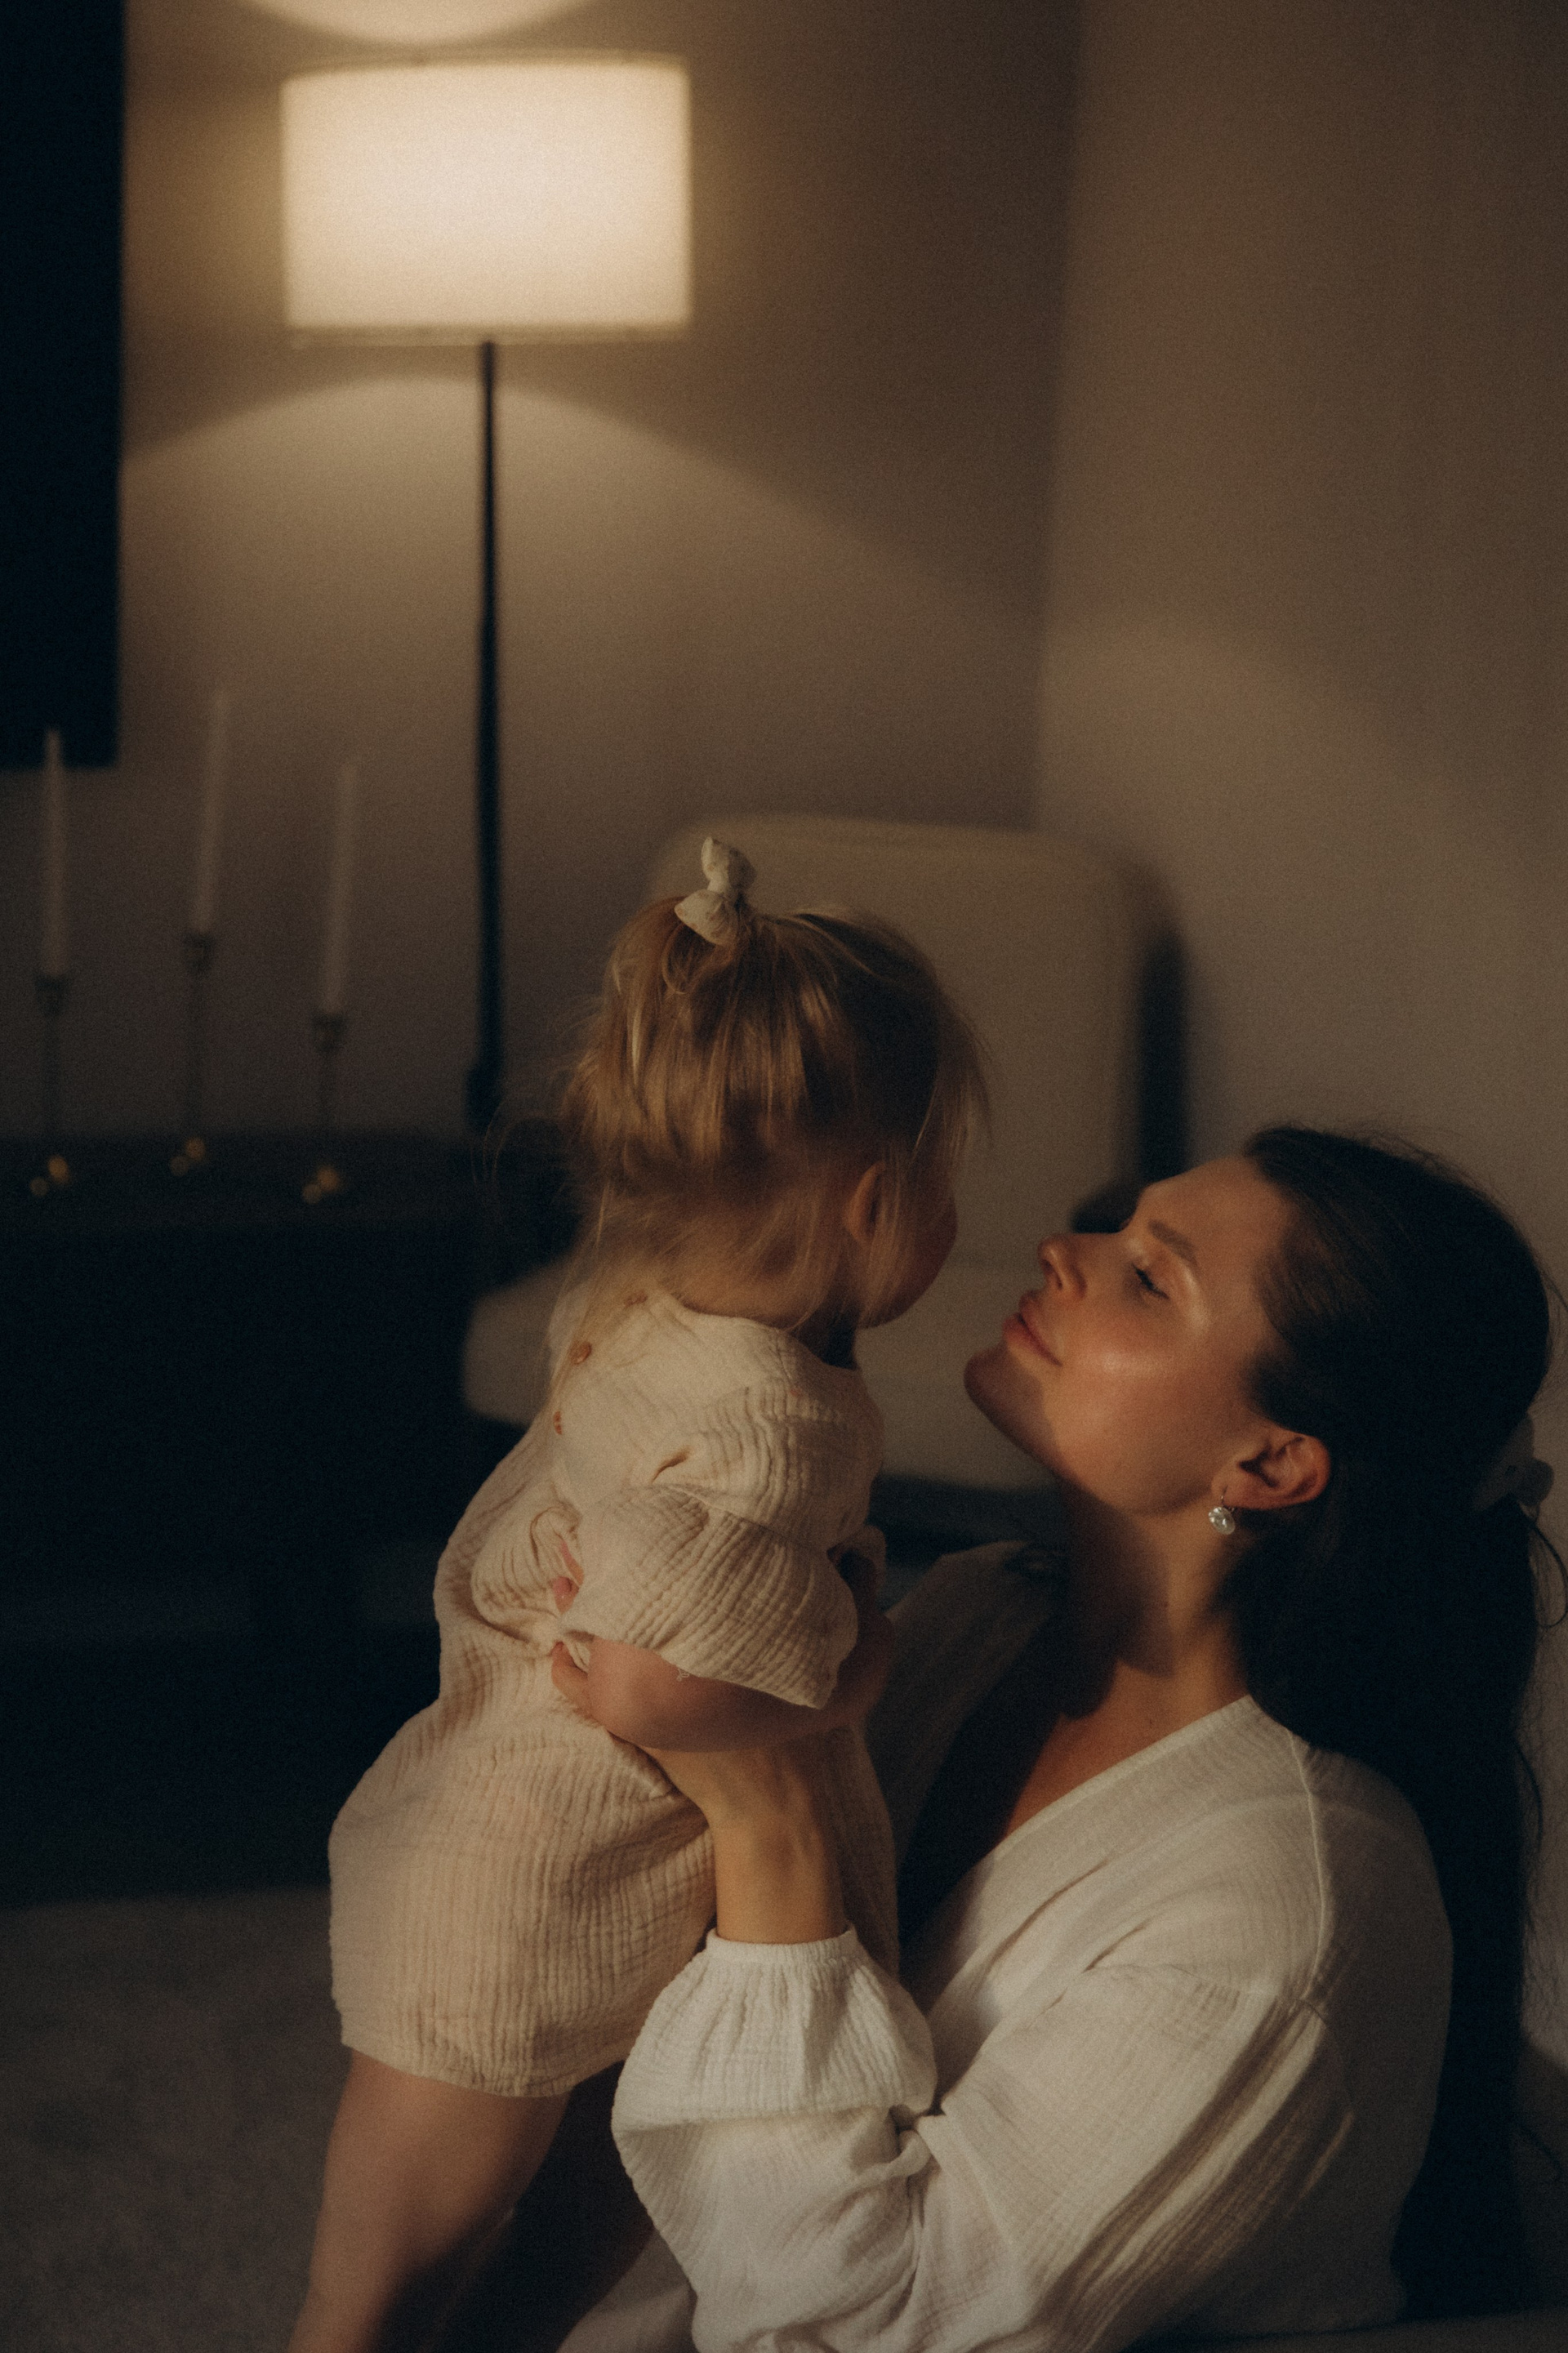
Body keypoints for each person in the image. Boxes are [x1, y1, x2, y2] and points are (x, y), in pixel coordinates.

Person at [555, 1128, 1557, 2351]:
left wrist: (770, 1809)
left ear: (1270, 1462)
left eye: (1149, 1277)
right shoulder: (977, 1611)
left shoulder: (1288, 1916)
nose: (1059, 1250)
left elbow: (866, 2325)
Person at [287, 840, 987, 2353]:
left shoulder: (638, 1305)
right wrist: (855, 1663)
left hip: (543, 1853)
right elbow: (654, 1668)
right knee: (382, 2290)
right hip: (520, 1896)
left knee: (510, 2234)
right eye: (947, 1181)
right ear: (874, 1202)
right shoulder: (770, 1425)